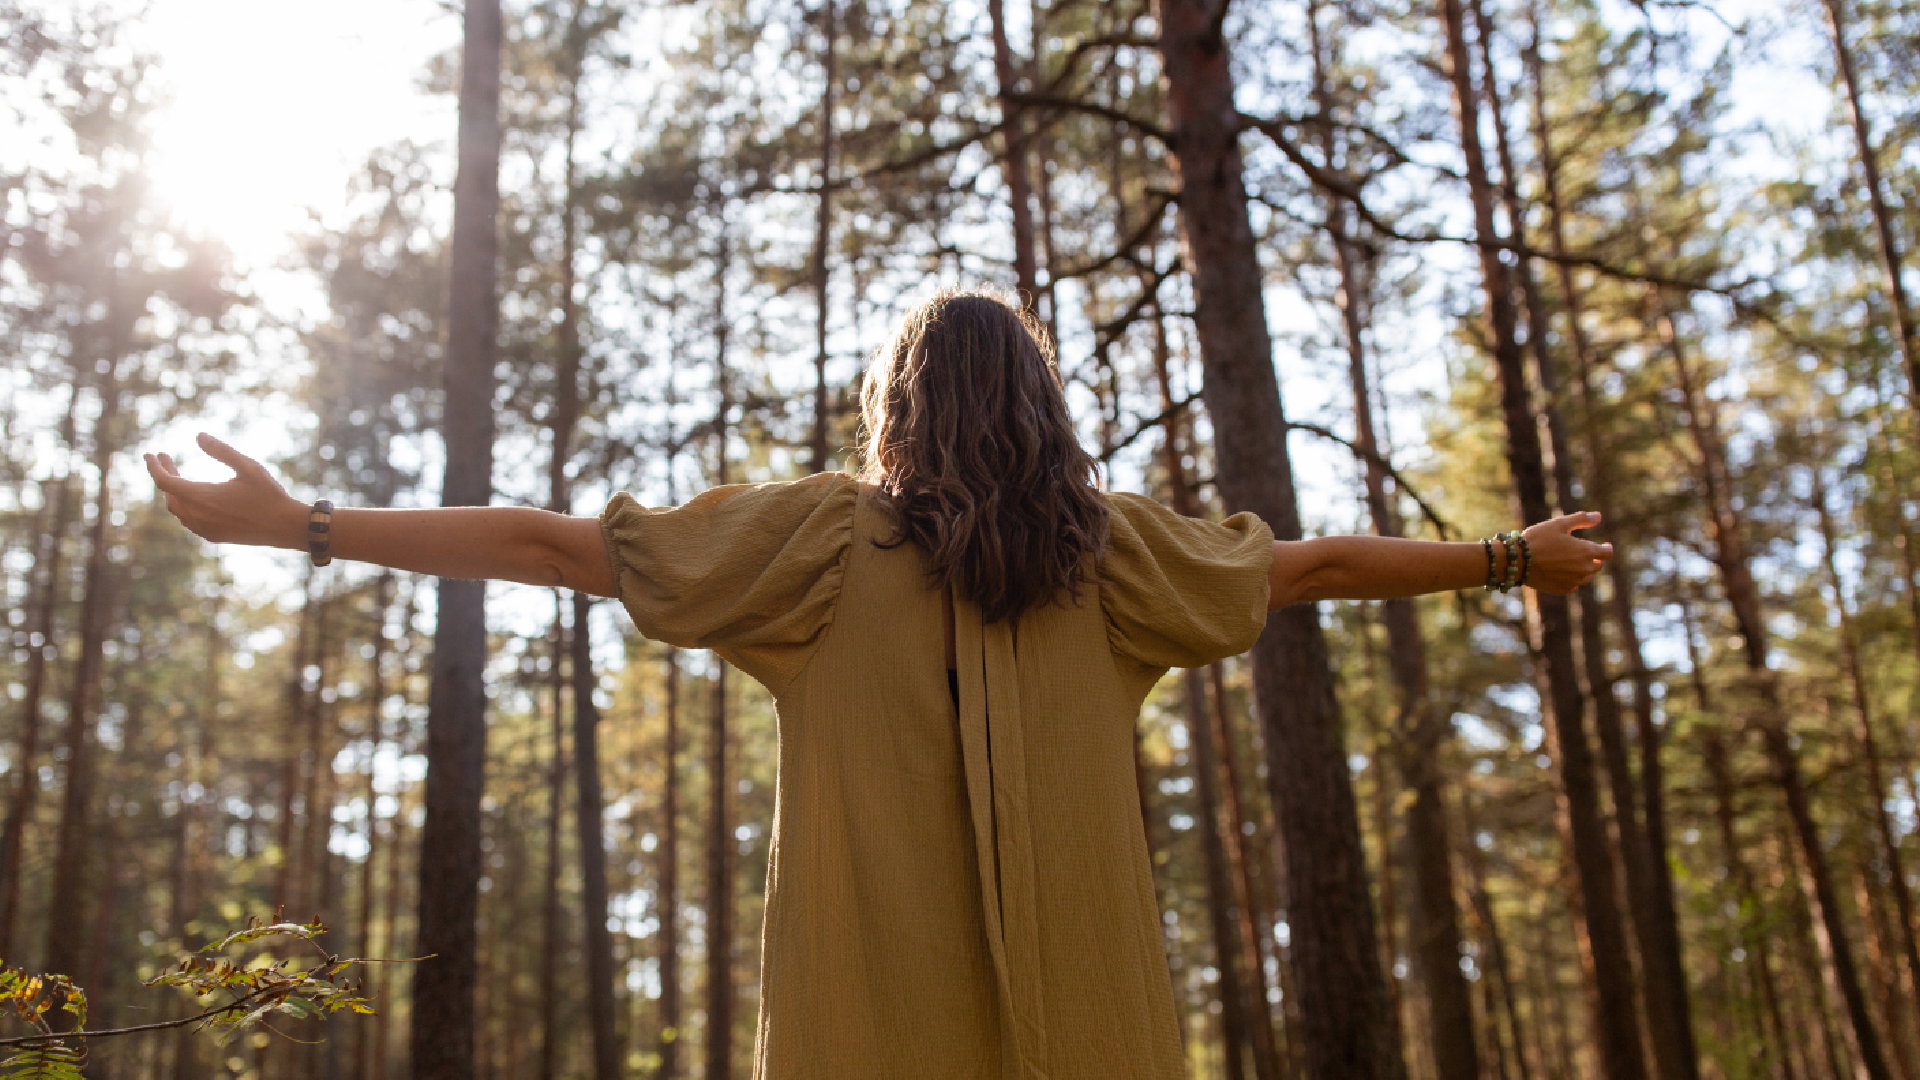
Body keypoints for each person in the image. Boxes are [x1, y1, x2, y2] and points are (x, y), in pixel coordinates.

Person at [148, 289, 1610, 1079]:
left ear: (894, 409)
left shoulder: (816, 548)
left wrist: (309, 524)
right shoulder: (1117, 561)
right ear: (1044, 405)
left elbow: (548, 539)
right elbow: (1318, 569)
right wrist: (1504, 557)